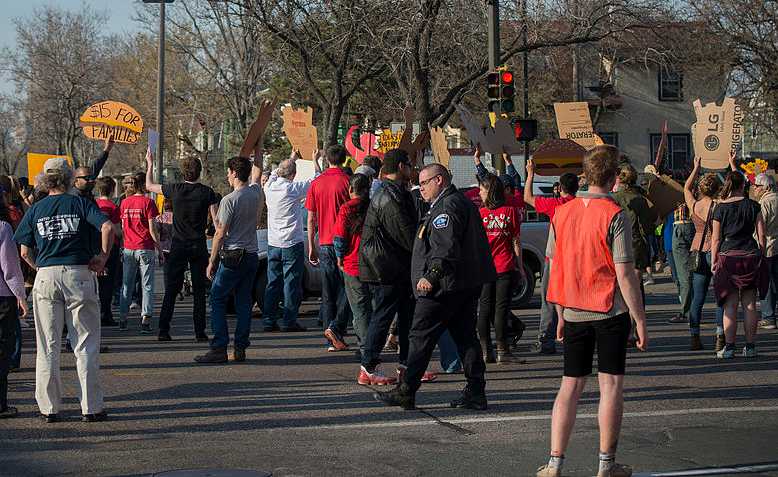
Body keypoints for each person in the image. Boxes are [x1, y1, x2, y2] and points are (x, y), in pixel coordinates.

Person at [536, 145, 648, 477]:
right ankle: (606, 464)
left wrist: (558, 312)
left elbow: (554, 266)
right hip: (608, 309)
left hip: (572, 309)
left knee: (569, 385)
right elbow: (625, 274)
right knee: (610, 385)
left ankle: (555, 462)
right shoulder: (615, 215)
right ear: (614, 179)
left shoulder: (562, 212)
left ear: (585, 175)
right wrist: (639, 319)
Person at [374, 163, 495, 410]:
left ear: (439, 180)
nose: (421, 189)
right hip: (462, 284)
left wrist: (431, 275)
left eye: (425, 183)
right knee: (465, 338)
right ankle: (475, 390)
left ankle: (406, 390)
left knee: (419, 336)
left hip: (444, 287)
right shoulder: (454, 202)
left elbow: (446, 248)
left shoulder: (447, 207)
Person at [14, 157, 114, 423]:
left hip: (46, 275)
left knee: (47, 345)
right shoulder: (80, 203)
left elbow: (24, 250)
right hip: (78, 272)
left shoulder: (35, 209)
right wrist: (102, 258)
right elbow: (107, 226)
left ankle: (49, 407)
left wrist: (40, 269)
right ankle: (91, 407)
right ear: (70, 178)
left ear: (44, 181)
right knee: (85, 344)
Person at [195, 155, 263, 364]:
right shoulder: (256, 192)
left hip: (233, 254)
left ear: (234, 173)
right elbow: (258, 173)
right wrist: (257, 147)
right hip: (252, 254)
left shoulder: (230, 200)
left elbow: (220, 233)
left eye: (228, 171)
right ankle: (240, 346)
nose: (226, 175)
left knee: (217, 297)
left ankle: (219, 346)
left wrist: (211, 260)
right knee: (244, 302)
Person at [358, 149, 418, 385]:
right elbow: (407, 235)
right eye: (410, 165)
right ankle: (368, 366)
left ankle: (407, 365)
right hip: (385, 269)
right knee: (382, 317)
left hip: (393, 267)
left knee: (406, 317)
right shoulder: (389, 197)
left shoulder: (395, 192)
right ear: (401, 167)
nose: (413, 170)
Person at [146, 150, 219, 342]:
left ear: (183, 172)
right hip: (198, 244)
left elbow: (149, 185)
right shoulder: (207, 192)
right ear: (199, 172)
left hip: (178, 244)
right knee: (199, 290)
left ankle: (163, 330)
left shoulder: (175, 189)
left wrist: (150, 163)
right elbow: (217, 221)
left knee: (171, 288)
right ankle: (200, 332)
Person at [262, 150, 322, 332]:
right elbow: (316, 180)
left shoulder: (269, 187)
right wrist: (314, 160)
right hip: (291, 243)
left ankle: (269, 320)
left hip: (273, 243)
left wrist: (291, 157)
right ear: (294, 175)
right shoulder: (292, 189)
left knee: (273, 283)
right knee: (291, 284)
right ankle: (289, 321)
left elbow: (273, 174)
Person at [524, 159, 578, 355]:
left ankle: (546, 340)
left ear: (560, 188)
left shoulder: (556, 204)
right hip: (577, 259)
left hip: (555, 259)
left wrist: (531, 174)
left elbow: (528, 197)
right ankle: (577, 338)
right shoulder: (582, 205)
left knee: (550, 299)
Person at [711, 170, 767, 359]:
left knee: (730, 305)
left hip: (728, 258)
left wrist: (713, 260)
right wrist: (761, 254)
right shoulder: (754, 206)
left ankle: (729, 347)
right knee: (750, 304)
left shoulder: (719, 209)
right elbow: (761, 235)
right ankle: (750, 347)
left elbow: (716, 239)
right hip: (750, 255)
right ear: (743, 186)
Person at [305, 144, 352, 350]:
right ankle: (336, 328)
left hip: (323, 241)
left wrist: (311, 245)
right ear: (343, 160)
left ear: (327, 159)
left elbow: (311, 217)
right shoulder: (347, 181)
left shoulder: (317, 183)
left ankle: (330, 335)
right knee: (348, 288)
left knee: (328, 290)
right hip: (345, 241)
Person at [477, 173, 523, 364]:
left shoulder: (480, 214)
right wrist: (520, 267)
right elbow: (515, 241)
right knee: (501, 310)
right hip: (504, 265)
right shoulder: (510, 211)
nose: (479, 193)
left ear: (489, 191)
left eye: (481, 189)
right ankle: (502, 350)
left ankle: (486, 350)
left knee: (484, 309)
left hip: (486, 267)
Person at [684, 158, 725, 351]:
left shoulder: (694, 204)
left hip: (697, 249)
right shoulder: (720, 205)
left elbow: (686, 187)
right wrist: (732, 165)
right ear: (717, 188)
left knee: (697, 297)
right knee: (720, 297)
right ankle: (720, 336)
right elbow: (732, 188)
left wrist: (695, 169)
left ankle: (694, 337)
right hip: (716, 250)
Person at [334, 173, 371, 360]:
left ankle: (366, 349)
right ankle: (373, 344)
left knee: (360, 310)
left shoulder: (347, 209)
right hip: (374, 264)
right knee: (373, 307)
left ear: (350, 190)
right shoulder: (374, 206)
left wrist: (339, 257)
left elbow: (340, 237)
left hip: (353, 263)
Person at [118, 173, 160, 334]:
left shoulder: (125, 203)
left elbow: (122, 227)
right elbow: (152, 229)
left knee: (126, 284)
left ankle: (123, 318)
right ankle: (145, 319)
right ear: (144, 185)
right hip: (145, 247)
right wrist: (159, 248)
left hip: (129, 248)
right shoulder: (149, 203)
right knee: (147, 285)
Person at [0, 198, 27, 419]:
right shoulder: (3, 227)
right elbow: (9, 267)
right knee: (1, 352)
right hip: (2, 297)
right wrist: (21, 295)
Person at [94, 177, 122, 327]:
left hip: (94, 246)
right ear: (112, 190)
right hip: (111, 247)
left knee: (95, 282)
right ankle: (106, 313)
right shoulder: (113, 206)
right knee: (108, 283)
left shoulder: (94, 205)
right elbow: (116, 230)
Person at [754, 173, 778, 330]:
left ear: (765, 187)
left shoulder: (764, 203)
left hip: (768, 246)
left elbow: (761, 230)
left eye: (756, 186)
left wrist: (759, 248)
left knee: (766, 282)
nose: (754, 189)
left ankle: (768, 316)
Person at [667, 202, 695, 326]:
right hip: (694, 228)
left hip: (682, 227)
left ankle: (687, 311)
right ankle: (690, 309)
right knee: (689, 273)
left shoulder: (677, 192)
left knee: (684, 276)